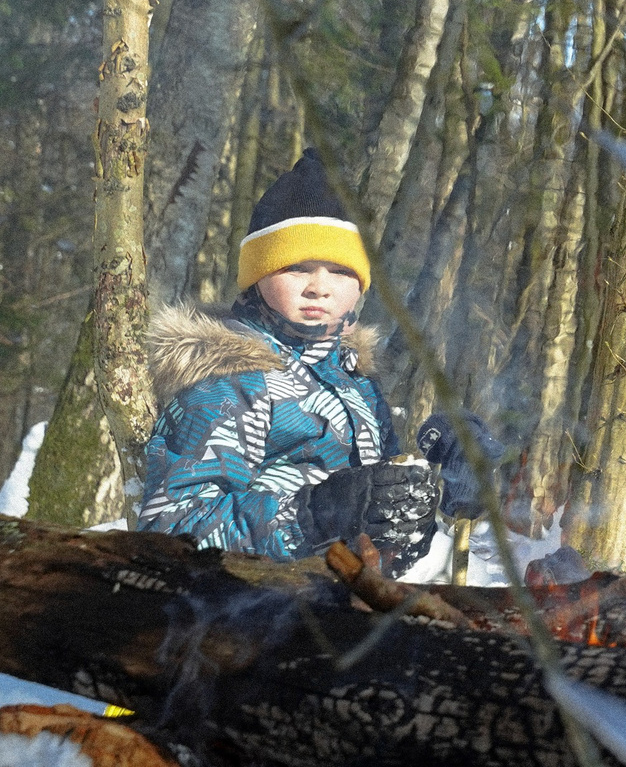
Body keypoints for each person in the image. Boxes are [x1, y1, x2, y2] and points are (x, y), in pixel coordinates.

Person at [142, 149, 440, 564]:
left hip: (340, 598)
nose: (319, 287)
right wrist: (312, 517)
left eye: (341, 271)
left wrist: (423, 501)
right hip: (247, 599)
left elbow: (379, 522)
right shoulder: (231, 381)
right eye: (297, 267)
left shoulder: (356, 383)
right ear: (258, 276)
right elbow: (172, 528)